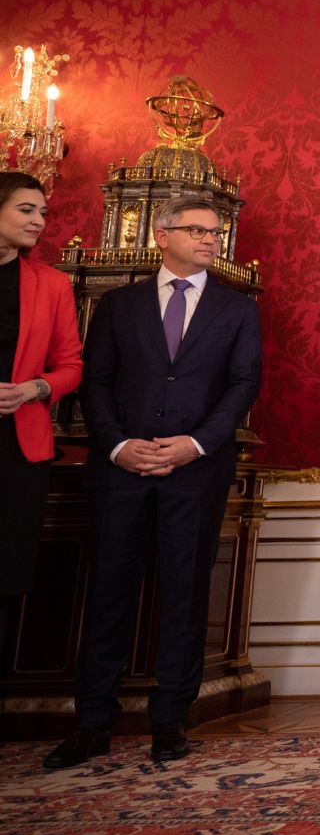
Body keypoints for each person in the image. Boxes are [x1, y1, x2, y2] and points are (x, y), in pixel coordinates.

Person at [43, 198, 261, 769]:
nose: (213, 239)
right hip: (121, 471)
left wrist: (194, 444)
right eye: (199, 230)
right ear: (162, 235)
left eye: (218, 232)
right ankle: (92, 723)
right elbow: (97, 383)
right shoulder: (118, 305)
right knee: (108, 594)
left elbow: (242, 386)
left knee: (185, 595)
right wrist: (117, 445)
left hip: (197, 473)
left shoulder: (237, 310)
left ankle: (171, 720)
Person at [0, 173, 83, 667]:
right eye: (27, 210)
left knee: (6, 580)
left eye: (43, 213)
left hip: (17, 450)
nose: (39, 221)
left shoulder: (51, 284)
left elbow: (72, 365)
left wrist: (36, 388)